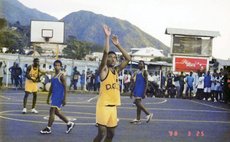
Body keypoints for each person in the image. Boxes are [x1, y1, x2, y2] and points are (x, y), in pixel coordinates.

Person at [93, 25, 131, 142]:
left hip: (113, 107)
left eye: (115, 57)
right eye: (110, 57)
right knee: (102, 133)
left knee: (111, 135)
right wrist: (107, 37)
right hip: (103, 106)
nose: (113, 59)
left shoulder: (116, 71)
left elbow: (128, 58)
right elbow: (105, 52)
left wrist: (117, 44)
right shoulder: (104, 70)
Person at [40, 60, 75, 134]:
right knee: (57, 112)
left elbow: (65, 87)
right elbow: (51, 88)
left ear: (61, 66)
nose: (57, 66)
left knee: (52, 111)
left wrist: (65, 99)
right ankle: (69, 123)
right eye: (55, 65)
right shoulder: (53, 76)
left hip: (59, 96)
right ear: (54, 66)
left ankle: (48, 128)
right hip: (54, 96)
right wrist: (48, 97)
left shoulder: (61, 76)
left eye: (58, 65)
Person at [130, 60, 153, 124]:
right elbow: (134, 82)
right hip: (137, 89)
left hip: (141, 89)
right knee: (138, 105)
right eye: (139, 64)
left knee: (137, 103)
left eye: (141, 64)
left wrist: (144, 92)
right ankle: (138, 119)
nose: (139, 65)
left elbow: (146, 82)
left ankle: (148, 114)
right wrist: (132, 91)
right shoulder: (137, 72)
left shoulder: (144, 72)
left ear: (143, 65)